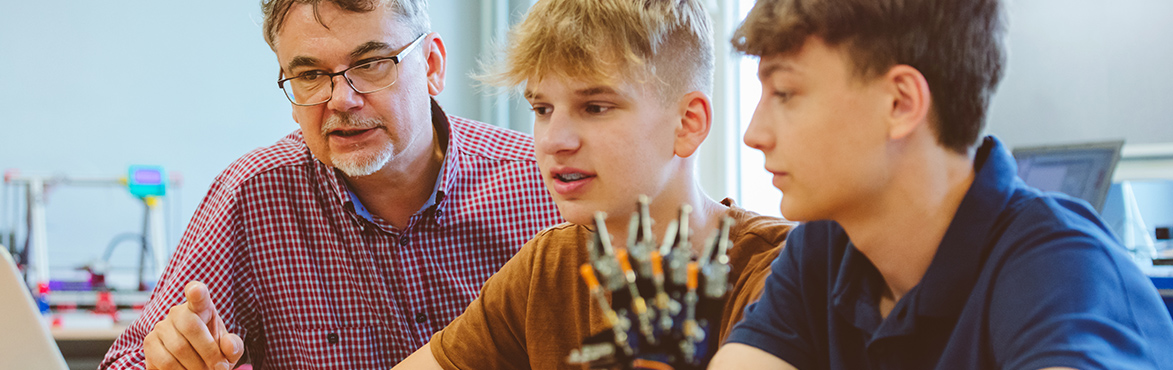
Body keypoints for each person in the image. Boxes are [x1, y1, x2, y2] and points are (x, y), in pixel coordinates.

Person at [709, 0, 1173, 369]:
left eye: (785, 94)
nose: (754, 134)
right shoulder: (823, 249)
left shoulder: (1066, 272)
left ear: (900, 103)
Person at [100, 1, 562, 369]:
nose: (342, 99)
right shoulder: (253, 196)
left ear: (433, 65)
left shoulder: (543, 182)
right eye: (310, 76)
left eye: (373, 63)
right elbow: (128, 361)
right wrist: (170, 360)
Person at [393, 0, 794, 369]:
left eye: (595, 107)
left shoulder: (783, 271)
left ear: (688, 123)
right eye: (542, 109)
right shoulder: (547, 268)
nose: (553, 141)